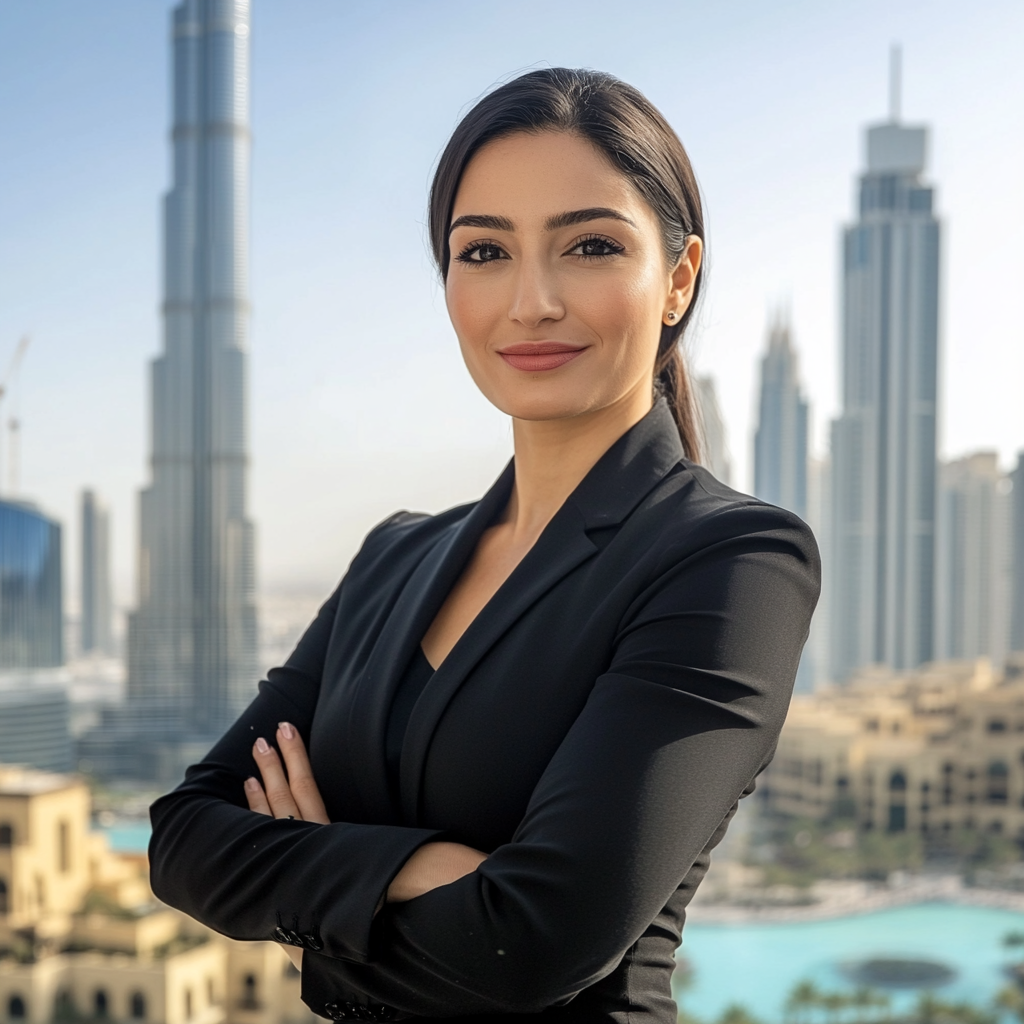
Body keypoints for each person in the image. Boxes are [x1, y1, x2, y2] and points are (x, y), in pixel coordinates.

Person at [149, 68, 820, 1023]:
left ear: (677, 279)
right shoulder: (395, 557)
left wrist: (311, 902)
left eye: (590, 246)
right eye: (485, 252)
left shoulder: (733, 559)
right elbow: (183, 837)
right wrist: (424, 870)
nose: (532, 302)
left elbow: (533, 945)